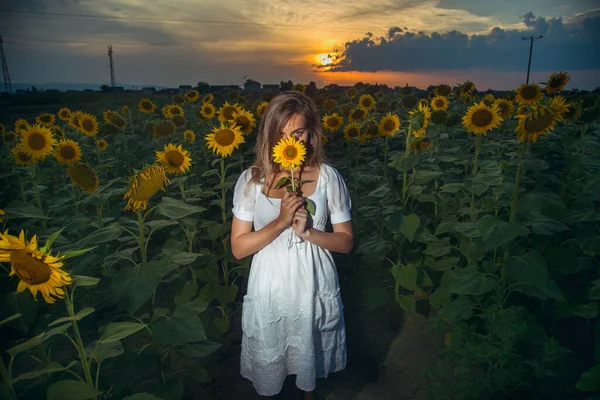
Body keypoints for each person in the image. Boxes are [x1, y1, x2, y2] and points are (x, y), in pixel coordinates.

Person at [230, 91, 353, 400]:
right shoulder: (252, 181)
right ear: (270, 136)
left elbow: (346, 242)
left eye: (298, 132)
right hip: (271, 283)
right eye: (281, 134)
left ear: (312, 132)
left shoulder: (328, 178)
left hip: (312, 280)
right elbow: (239, 248)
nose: (291, 143)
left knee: (308, 361)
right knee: (271, 366)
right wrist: (279, 222)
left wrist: (309, 233)